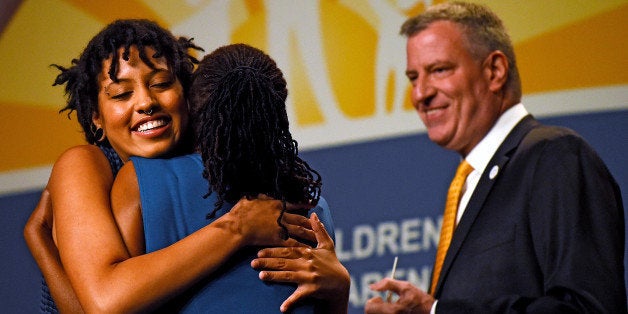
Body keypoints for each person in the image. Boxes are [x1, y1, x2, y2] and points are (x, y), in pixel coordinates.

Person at [23, 19, 313, 313]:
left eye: (161, 84)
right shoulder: (85, 163)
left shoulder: (219, 169)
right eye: (122, 94)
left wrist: (337, 286)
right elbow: (104, 303)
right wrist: (238, 228)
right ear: (96, 117)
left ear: (186, 93)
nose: (146, 102)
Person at [365, 2, 625, 313]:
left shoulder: (554, 155)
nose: (420, 94)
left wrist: (437, 312)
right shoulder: (469, 182)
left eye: (439, 70)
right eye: (412, 77)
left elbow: (586, 308)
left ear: (495, 70)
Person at [111, 43, 350, 313]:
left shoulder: (140, 182)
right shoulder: (311, 206)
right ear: (278, 113)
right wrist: (341, 292)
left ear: (192, 106)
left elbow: (107, 299)